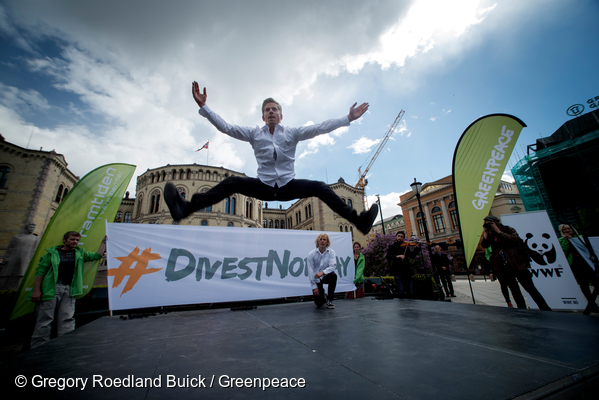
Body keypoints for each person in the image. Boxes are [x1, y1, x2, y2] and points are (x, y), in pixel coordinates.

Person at [163, 83, 379, 234]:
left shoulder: (292, 133)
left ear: (281, 115)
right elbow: (226, 127)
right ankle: (185, 208)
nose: (271, 112)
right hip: (264, 186)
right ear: (263, 116)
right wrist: (204, 107)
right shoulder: (254, 134)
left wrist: (347, 118)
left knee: (320, 187)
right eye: (267, 110)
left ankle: (359, 221)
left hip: (288, 186)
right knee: (232, 183)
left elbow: (319, 128)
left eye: (275, 109)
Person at [29, 231, 106, 348]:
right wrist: (36, 290)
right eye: (72, 239)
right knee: (45, 319)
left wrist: (103, 243)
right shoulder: (52, 254)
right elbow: (40, 273)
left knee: (67, 318)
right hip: (52, 288)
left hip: (70, 289)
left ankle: (65, 345)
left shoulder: (79, 253)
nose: (75, 242)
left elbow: (96, 256)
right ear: (64, 240)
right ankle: (38, 347)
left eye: (77, 240)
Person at [481, 215, 551, 311]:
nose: (488, 224)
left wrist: (498, 231)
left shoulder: (508, 229)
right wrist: (485, 233)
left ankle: (545, 308)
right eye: (486, 223)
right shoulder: (490, 234)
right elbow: (484, 245)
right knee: (515, 290)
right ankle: (521, 309)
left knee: (530, 288)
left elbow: (515, 240)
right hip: (504, 267)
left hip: (517, 264)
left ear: (496, 222)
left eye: (490, 222)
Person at [558, 224, 599, 312]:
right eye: (564, 229)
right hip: (575, 265)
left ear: (572, 229)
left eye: (568, 228)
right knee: (584, 284)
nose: (567, 230)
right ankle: (592, 304)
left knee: (595, 281)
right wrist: (566, 240)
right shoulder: (561, 240)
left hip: (587, 263)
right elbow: (563, 252)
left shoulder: (580, 238)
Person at [0, 223, 39, 291]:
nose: (32, 229)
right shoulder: (17, 237)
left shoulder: (35, 239)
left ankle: (16, 290)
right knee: (7, 274)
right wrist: (6, 258)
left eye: (33, 228)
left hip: (25, 260)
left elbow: (34, 250)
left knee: (21, 274)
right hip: (13, 258)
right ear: (26, 228)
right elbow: (10, 248)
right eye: (30, 227)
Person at [307, 233, 338, 309]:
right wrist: (314, 287)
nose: (322, 241)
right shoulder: (311, 254)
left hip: (326, 276)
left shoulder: (331, 252)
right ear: (317, 242)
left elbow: (333, 266)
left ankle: (330, 299)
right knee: (319, 304)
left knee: (334, 276)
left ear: (327, 242)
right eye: (320, 239)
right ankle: (323, 295)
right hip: (316, 279)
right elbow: (310, 271)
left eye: (324, 239)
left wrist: (323, 272)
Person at [386, 231, 417, 298]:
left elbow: (411, 256)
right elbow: (388, 256)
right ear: (396, 237)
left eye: (401, 237)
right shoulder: (392, 246)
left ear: (403, 238)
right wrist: (397, 256)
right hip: (397, 270)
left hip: (407, 270)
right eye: (399, 236)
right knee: (401, 291)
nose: (400, 238)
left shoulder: (406, 246)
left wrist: (417, 248)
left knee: (410, 290)